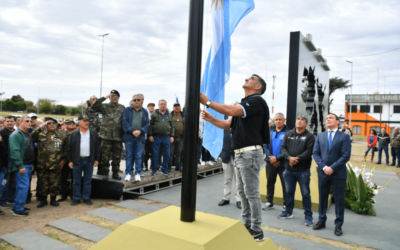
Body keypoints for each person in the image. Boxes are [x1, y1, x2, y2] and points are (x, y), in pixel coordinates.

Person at [200, 74, 270, 242]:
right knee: (243, 192)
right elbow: (227, 123)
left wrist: (208, 102)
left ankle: (257, 230)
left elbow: (231, 111)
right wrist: (211, 118)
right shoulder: (245, 104)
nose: (247, 78)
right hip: (240, 153)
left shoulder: (256, 101)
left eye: (252, 78)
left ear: (258, 86)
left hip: (249, 153)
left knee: (251, 193)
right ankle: (246, 225)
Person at [313, 113, 351, 236]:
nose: (328, 119)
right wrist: (324, 167)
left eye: (331, 118)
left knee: (339, 200)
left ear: (337, 122)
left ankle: (338, 225)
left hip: (338, 173)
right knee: (322, 198)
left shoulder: (344, 137)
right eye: (327, 118)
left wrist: (332, 168)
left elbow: (345, 155)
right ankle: (321, 220)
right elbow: (316, 153)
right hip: (323, 172)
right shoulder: (320, 136)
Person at [278, 115, 315, 227]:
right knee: (289, 192)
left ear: (306, 124)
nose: (299, 121)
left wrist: (297, 159)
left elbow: (309, 151)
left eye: (302, 120)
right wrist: (289, 158)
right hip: (288, 170)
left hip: (303, 171)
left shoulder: (310, 136)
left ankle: (308, 216)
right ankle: (288, 212)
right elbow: (283, 148)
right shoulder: (288, 134)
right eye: (298, 119)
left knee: (306, 194)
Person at [31, 117, 68, 208]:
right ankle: (43, 200)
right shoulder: (40, 133)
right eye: (49, 123)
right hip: (42, 164)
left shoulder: (62, 134)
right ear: (46, 124)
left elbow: (66, 149)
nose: (52, 124)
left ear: (57, 124)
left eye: (54, 123)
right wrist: (40, 127)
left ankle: (53, 199)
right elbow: (31, 136)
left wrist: (63, 161)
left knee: (55, 183)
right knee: (43, 183)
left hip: (56, 164)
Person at [91, 90, 125, 181]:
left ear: (118, 97)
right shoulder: (104, 106)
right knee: (105, 156)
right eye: (112, 95)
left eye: (116, 96)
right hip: (106, 136)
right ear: (110, 97)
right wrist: (104, 97)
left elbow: (125, 121)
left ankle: (115, 173)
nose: (114, 97)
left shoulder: (122, 108)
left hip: (118, 136)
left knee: (117, 156)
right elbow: (93, 106)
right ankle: (105, 172)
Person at [67, 115, 100, 206]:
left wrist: (96, 159)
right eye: (84, 120)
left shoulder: (93, 133)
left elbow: (97, 147)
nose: (86, 122)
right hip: (77, 161)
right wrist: (70, 160)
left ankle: (86, 197)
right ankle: (76, 198)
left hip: (89, 160)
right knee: (76, 180)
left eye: (87, 120)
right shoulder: (74, 134)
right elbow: (69, 148)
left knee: (87, 180)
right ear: (79, 122)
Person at [263, 113, 290, 211]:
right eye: (276, 119)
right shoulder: (269, 130)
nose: (278, 121)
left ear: (284, 120)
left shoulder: (289, 132)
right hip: (270, 162)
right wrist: (271, 158)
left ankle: (286, 204)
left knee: (285, 184)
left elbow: (289, 149)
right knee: (270, 183)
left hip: (283, 163)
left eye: (280, 119)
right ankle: (269, 202)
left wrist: (277, 158)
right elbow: (265, 145)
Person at [8, 115, 34, 216]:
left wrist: (31, 163)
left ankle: (19, 205)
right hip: (21, 165)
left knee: (23, 187)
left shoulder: (27, 134)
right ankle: (17, 209)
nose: (29, 123)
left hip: (28, 164)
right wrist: (20, 165)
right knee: (23, 186)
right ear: (21, 123)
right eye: (27, 121)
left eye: (30, 121)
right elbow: (14, 152)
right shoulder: (16, 134)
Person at [122, 94, 149, 182]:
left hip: (140, 137)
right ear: (132, 101)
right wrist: (132, 131)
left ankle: (137, 173)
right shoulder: (127, 110)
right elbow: (124, 121)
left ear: (141, 101)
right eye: (135, 100)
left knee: (138, 156)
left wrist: (140, 131)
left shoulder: (145, 111)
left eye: (138, 100)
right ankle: (128, 173)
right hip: (129, 137)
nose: (137, 101)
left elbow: (147, 124)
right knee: (129, 156)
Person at [148, 100, 174, 176]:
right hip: (156, 137)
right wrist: (150, 135)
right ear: (158, 105)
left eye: (164, 104)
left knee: (167, 154)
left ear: (166, 105)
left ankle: (164, 169)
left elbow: (173, 126)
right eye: (161, 104)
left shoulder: (169, 115)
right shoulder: (154, 114)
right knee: (155, 154)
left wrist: (172, 136)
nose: (163, 105)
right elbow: (150, 125)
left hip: (166, 137)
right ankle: (154, 169)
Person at [218, 124, 241, 209]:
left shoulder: (240, 128)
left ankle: (239, 200)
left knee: (238, 180)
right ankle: (226, 198)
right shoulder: (224, 128)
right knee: (227, 179)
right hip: (226, 156)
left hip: (237, 157)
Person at [58, 119, 77, 202]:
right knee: (63, 178)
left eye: (73, 123)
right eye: (69, 123)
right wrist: (60, 124)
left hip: (75, 159)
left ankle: (73, 195)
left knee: (74, 178)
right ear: (65, 125)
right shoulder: (62, 134)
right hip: (64, 159)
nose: (72, 124)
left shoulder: (78, 134)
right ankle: (63, 195)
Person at [0, 116, 16, 210]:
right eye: (8, 121)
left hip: (15, 162)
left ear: (14, 122)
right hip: (5, 163)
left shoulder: (16, 132)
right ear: (5, 122)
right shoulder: (2, 133)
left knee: (13, 182)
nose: (9, 123)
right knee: (4, 182)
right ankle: (2, 201)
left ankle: (10, 198)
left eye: (11, 121)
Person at [169, 99, 184, 172]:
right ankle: (169, 167)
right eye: (175, 106)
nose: (177, 107)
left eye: (178, 106)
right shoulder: (170, 115)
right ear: (173, 108)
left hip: (180, 138)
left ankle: (178, 166)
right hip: (172, 138)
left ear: (180, 108)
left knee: (178, 153)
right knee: (170, 153)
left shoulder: (183, 115)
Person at [143, 103, 155, 172]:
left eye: (152, 106)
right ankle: (145, 166)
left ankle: (152, 166)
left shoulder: (155, 115)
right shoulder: (146, 115)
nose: (151, 107)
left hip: (154, 136)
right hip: (146, 136)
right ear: (147, 107)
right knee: (146, 153)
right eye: (150, 106)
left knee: (153, 152)